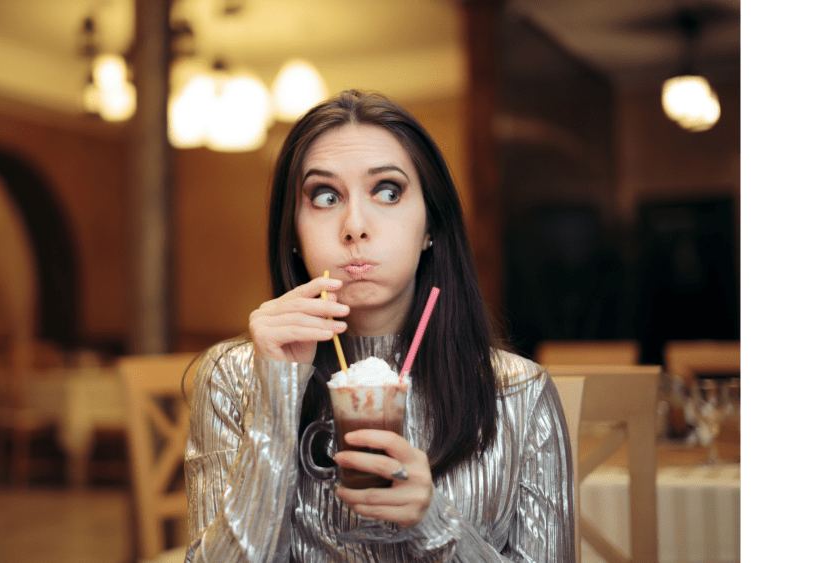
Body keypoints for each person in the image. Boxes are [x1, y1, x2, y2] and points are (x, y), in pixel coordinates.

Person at [184, 90, 575, 562]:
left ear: (430, 222)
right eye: (325, 196)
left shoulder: (519, 392)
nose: (354, 226)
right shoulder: (234, 376)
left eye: (388, 191)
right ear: (292, 233)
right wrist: (276, 397)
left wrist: (435, 523)